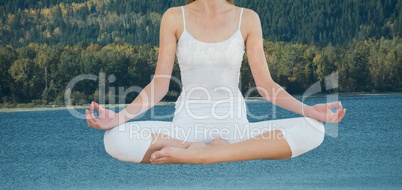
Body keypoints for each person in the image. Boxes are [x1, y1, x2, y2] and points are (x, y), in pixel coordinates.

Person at [86, 0, 346, 165]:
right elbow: (159, 85)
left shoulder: (248, 18)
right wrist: (120, 117)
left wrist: (309, 110)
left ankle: (206, 155)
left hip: (236, 132)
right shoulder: (175, 17)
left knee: (315, 129)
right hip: (184, 132)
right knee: (115, 138)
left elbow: (266, 86)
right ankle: (195, 149)